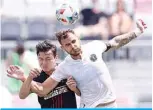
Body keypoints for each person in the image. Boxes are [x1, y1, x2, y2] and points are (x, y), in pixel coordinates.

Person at [8, 19, 147, 108]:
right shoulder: (64, 67)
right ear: (63, 48)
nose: (72, 46)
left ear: (78, 39)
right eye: (67, 45)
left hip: (111, 104)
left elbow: (116, 42)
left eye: (74, 41)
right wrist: (24, 77)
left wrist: (137, 32)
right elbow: (43, 89)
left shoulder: (94, 46)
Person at [7, 40, 80, 108]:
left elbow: (81, 92)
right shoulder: (37, 77)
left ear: (56, 57)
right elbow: (22, 96)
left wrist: (75, 89)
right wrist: (25, 78)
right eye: (40, 59)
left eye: (48, 59)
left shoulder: (66, 71)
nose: (44, 63)